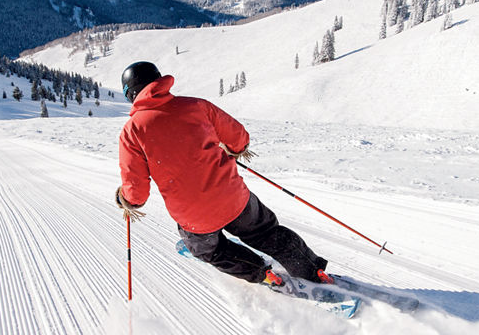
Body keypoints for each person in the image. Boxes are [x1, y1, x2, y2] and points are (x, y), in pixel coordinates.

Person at [115, 61, 332, 287]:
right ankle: (313, 269)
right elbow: (239, 138)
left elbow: (137, 193)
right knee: (266, 232)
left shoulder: (132, 132)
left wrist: (125, 199)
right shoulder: (197, 106)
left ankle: (262, 273)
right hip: (234, 198)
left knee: (211, 251)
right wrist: (234, 150)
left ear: (131, 94)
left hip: (194, 217)